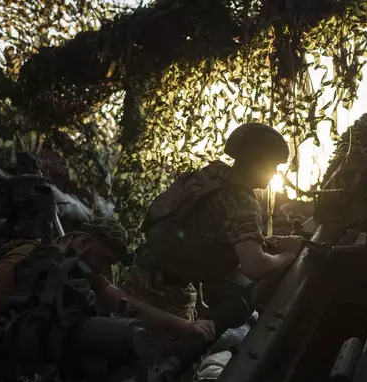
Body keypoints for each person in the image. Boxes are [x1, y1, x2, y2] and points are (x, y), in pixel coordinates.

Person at [0, 217, 216, 382]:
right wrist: (14, 342)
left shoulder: (82, 271)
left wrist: (184, 327)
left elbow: (127, 303)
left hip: (17, 377)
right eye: (104, 259)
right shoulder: (26, 261)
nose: (105, 269)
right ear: (83, 242)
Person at [122, 123, 305, 323]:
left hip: (137, 277)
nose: (274, 173)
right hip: (162, 298)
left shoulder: (210, 177)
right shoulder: (242, 202)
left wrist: (260, 241)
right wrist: (289, 254)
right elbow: (255, 266)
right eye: (273, 166)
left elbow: (194, 234)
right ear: (257, 163)